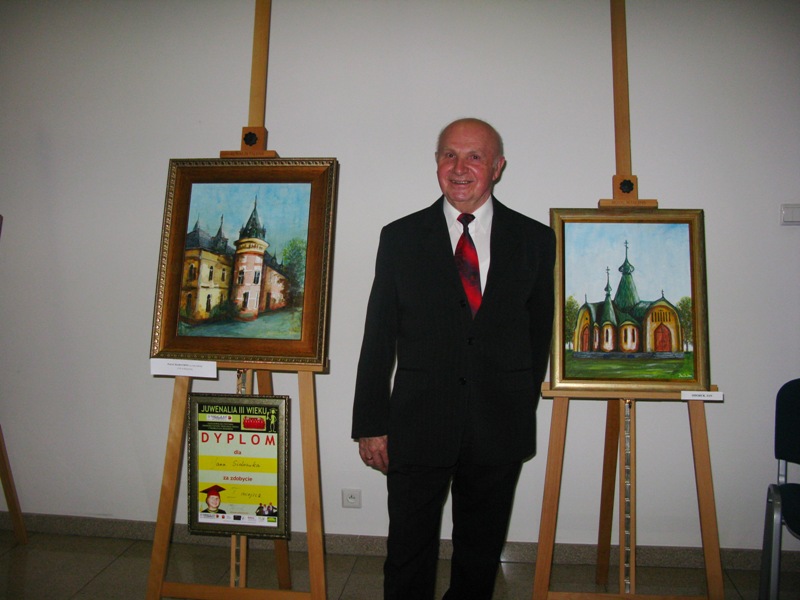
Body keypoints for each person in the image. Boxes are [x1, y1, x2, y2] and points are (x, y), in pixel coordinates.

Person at [352, 117, 555, 600]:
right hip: (417, 421)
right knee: (407, 551)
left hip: (498, 423)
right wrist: (370, 423)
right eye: (449, 155)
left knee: (480, 554)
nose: (460, 168)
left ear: (497, 167)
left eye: (474, 157)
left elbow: (538, 336)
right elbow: (378, 335)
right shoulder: (400, 237)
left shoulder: (534, 239)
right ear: (437, 163)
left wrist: (517, 409)